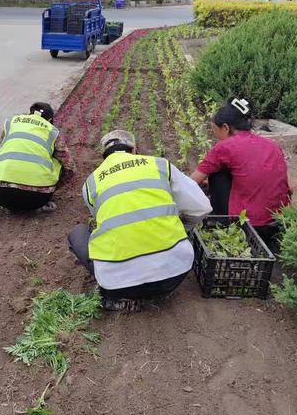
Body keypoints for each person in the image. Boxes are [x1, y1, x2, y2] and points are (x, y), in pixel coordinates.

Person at [68, 130, 212, 311]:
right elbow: (202, 207)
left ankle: (118, 298)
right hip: (174, 275)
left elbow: (99, 219)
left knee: (78, 233)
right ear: (134, 149)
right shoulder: (160, 165)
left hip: (118, 284)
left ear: (103, 157)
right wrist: (181, 229)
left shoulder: (91, 183)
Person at [190, 98, 291, 244]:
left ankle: (222, 222)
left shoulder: (226, 147)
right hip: (277, 221)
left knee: (217, 173)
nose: (215, 135)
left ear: (225, 127)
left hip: (248, 225)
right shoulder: (272, 145)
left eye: (214, 130)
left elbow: (192, 181)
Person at [0, 102, 75, 211]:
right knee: (58, 161)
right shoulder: (52, 130)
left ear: (30, 113)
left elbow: (1, 148)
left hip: (0, 195)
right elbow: (70, 167)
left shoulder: (12, 121)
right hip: (37, 199)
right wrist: (54, 186)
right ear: (49, 120)